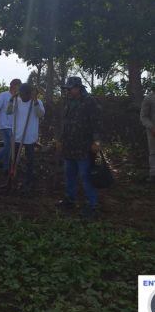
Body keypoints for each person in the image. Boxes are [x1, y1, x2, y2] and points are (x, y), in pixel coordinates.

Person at [56, 76, 102, 217]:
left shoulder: (89, 102)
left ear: (78, 88)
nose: (68, 91)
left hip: (84, 147)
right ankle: (70, 199)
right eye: (67, 89)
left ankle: (92, 205)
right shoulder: (68, 101)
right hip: (69, 146)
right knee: (69, 174)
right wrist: (60, 139)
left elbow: (97, 123)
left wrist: (97, 142)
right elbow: (65, 122)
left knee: (86, 176)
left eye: (70, 88)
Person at [8, 83, 45, 191]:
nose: (23, 97)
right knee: (13, 159)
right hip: (17, 136)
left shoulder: (36, 103)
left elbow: (40, 114)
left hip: (30, 137)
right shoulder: (16, 102)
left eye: (25, 95)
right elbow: (9, 111)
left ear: (29, 94)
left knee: (30, 161)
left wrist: (35, 101)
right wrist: (11, 99)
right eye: (21, 94)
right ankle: (11, 180)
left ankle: (28, 182)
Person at [0, 79, 21, 172]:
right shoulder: (3, 95)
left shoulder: (18, 98)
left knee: (9, 147)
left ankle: (6, 168)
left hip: (13, 126)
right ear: (12, 85)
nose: (18, 88)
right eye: (18, 85)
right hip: (4, 125)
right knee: (9, 146)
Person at [140, 82, 155, 183]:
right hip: (153, 131)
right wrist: (152, 127)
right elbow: (143, 116)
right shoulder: (149, 98)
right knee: (153, 153)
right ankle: (153, 175)